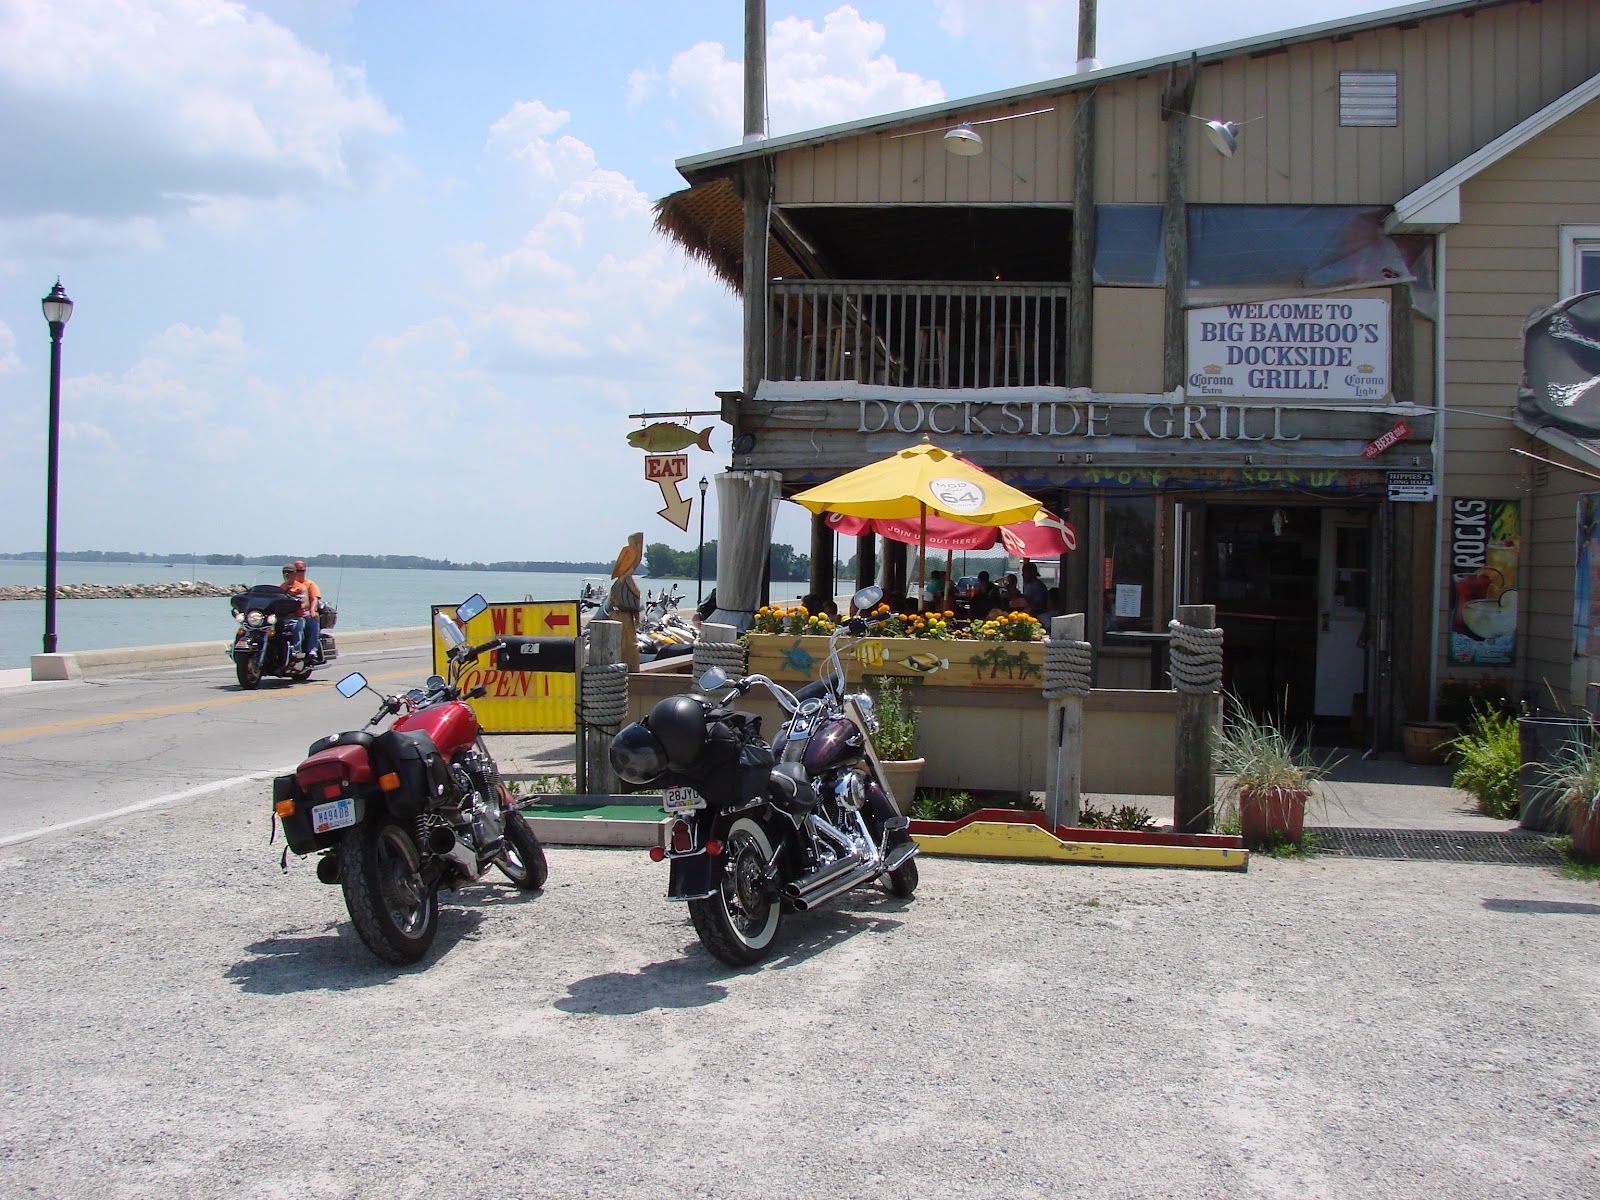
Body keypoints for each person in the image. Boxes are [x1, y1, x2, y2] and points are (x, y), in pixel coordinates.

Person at [287, 560, 323, 662]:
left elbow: (314, 598)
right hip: (288, 612)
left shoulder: (309, 584)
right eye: (297, 570)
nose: (300, 573)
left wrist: (312, 610)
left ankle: (311, 650)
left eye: (302, 570)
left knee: (312, 619)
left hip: (304, 611)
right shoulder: (286, 584)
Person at [276, 564, 307, 661]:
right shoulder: (278, 587)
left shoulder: (301, 588)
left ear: (294, 574)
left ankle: (296, 653)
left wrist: (297, 606)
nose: (286, 574)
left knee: (296, 627)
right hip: (280, 617)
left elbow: (306, 603)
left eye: (289, 572)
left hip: (295, 616)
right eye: (284, 572)